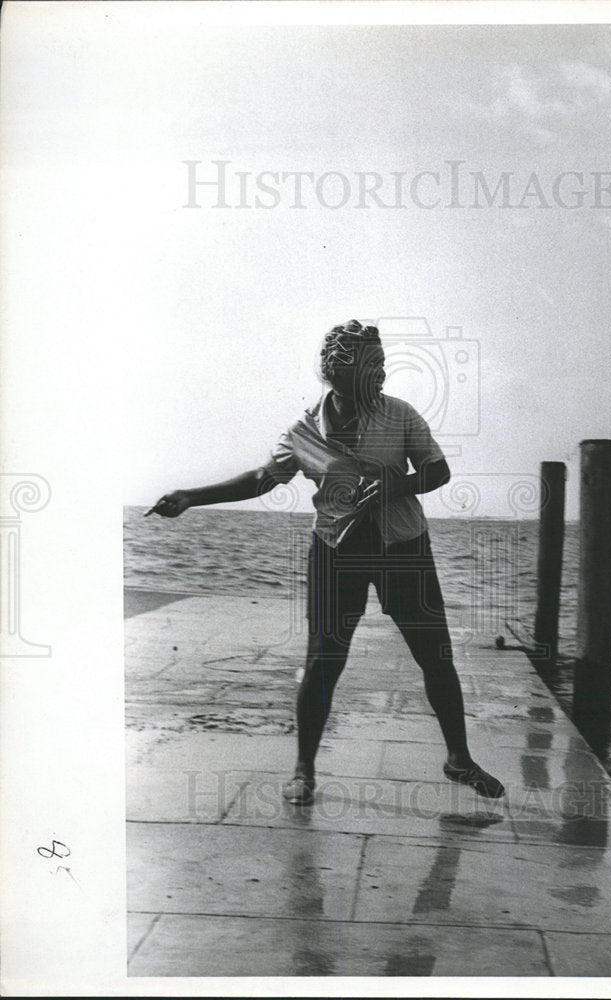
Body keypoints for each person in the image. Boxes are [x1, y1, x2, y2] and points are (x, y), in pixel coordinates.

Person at [149, 319, 504, 806]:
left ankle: (459, 758)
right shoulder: (303, 431)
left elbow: (437, 470)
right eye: (370, 366)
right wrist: (191, 496)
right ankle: (304, 770)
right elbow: (261, 479)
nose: (380, 374)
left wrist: (397, 484)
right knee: (322, 661)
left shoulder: (400, 416)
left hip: (403, 546)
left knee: (435, 655)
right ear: (339, 373)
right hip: (337, 550)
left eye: (382, 364)